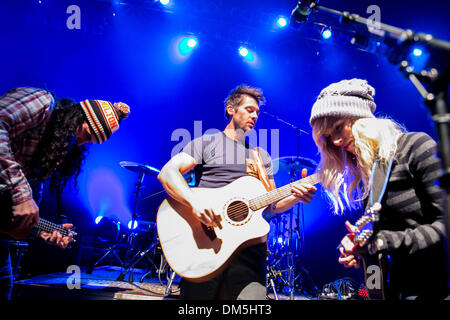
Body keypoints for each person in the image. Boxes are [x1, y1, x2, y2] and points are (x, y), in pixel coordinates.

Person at [157, 84, 317, 300]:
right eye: (249, 109)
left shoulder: (260, 156)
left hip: (249, 255)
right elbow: (168, 172)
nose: (255, 115)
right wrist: (195, 203)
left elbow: (271, 205)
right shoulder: (207, 142)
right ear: (231, 109)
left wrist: (295, 196)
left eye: (257, 112)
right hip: (206, 246)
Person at [309, 78, 448, 300]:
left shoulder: (415, 147)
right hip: (395, 290)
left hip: (433, 289)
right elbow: (386, 247)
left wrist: (381, 242)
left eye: (338, 127)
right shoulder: (369, 173)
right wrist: (361, 249)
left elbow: (445, 226)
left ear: (361, 118)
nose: (335, 141)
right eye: (327, 137)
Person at [0, 86, 130, 299]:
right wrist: (22, 195)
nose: (80, 143)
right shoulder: (42, 102)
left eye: (89, 142)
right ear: (76, 117)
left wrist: (39, 230)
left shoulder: (47, 155)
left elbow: (13, 212)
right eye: (86, 135)